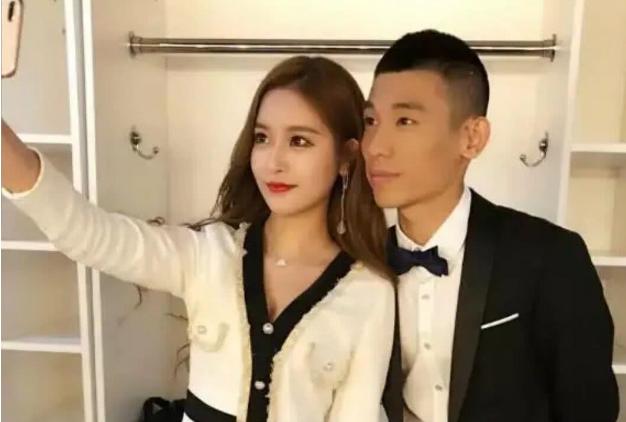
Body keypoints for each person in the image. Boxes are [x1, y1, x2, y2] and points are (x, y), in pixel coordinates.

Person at [2, 56, 396, 422]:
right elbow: (87, 234)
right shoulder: (209, 254)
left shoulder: (369, 292)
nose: (273, 161)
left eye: (299, 141)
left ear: (347, 156)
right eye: (262, 137)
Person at [364, 30, 620, 422]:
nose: (375, 146)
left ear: (472, 137)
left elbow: (590, 410)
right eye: (370, 121)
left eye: (405, 121)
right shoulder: (362, 264)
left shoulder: (550, 258)